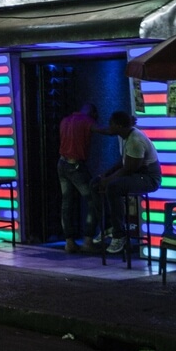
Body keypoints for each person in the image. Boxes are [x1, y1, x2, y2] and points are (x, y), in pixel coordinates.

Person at [94, 111, 161, 254]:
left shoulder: (135, 140)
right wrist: (105, 175)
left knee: (113, 187)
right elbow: (125, 161)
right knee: (95, 183)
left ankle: (119, 234)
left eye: (111, 124)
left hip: (148, 178)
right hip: (136, 174)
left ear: (118, 126)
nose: (109, 127)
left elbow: (129, 168)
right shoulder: (123, 136)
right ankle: (108, 226)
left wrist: (108, 180)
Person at [58, 103, 102, 253]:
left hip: (62, 164)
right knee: (94, 200)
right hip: (76, 166)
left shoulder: (65, 120)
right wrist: (124, 125)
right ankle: (88, 241)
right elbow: (104, 131)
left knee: (67, 204)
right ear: (92, 113)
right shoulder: (87, 121)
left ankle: (69, 242)